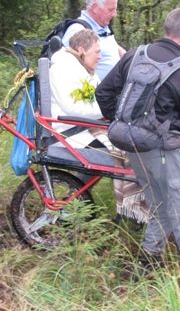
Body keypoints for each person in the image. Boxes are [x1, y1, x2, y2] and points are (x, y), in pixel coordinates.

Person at [96, 8, 180, 268]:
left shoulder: (134, 55)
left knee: (160, 204)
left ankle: (148, 259)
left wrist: (122, 122)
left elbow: (103, 92)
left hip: (132, 147)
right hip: (163, 150)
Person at [50, 29, 148, 221]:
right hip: (70, 132)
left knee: (127, 143)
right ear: (81, 49)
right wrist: (109, 112)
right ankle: (130, 211)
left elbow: (98, 98)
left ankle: (127, 208)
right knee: (125, 152)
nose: (100, 56)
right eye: (97, 51)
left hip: (85, 127)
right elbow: (72, 108)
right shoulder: (62, 69)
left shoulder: (81, 67)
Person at [61, 0, 125, 80]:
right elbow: (66, 69)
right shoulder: (78, 30)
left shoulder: (103, 28)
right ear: (95, 8)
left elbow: (114, 50)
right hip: (91, 93)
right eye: (111, 10)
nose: (114, 14)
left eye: (115, 9)